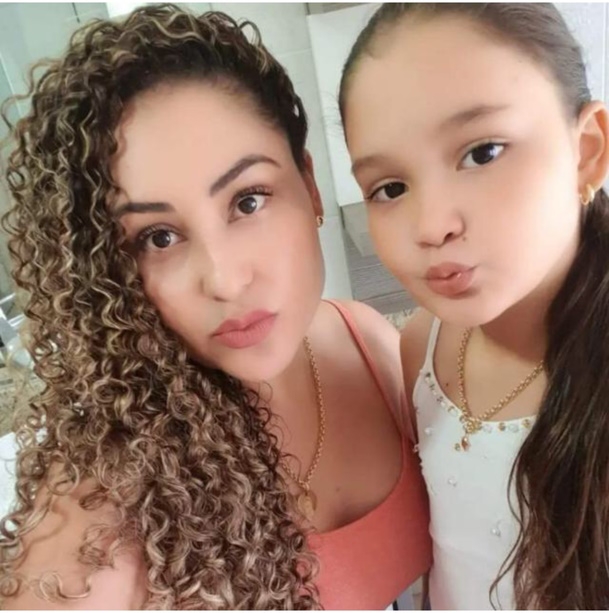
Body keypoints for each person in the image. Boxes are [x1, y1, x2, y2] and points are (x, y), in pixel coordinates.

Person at [0, 4, 431, 609]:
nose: (226, 280)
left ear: (310, 186)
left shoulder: (366, 342)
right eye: (158, 238)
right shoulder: (99, 507)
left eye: (248, 200)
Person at [338, 2, 609, 609]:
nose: (431, 225)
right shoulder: (423, 344)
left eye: (482, 152)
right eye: (390, 188)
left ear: (587, 150)